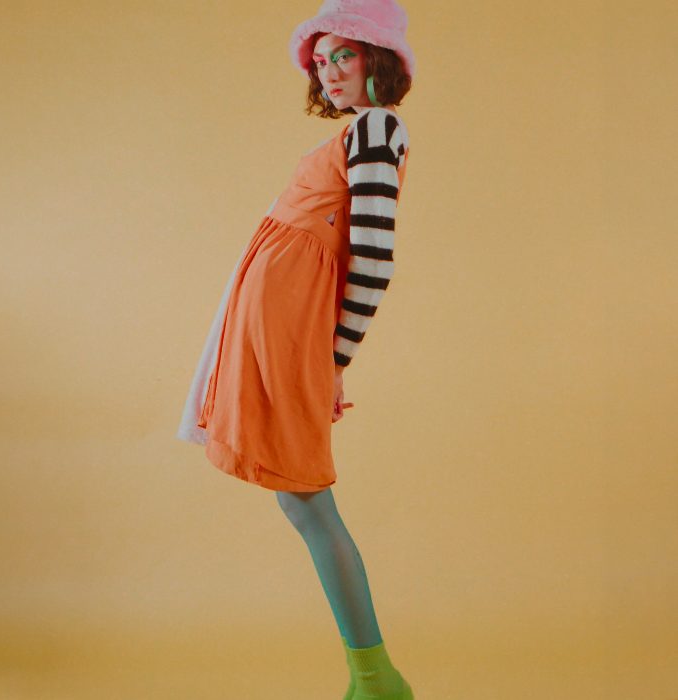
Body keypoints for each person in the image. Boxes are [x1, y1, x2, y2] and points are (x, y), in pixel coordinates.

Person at [177, 1, 416, 697]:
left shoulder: (377, 127)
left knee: (307, 498)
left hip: (291, 325)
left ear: (378, 58)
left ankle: (377, 679)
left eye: (344, 54)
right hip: (279, 321)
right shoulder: (363, 130)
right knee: (300, 501)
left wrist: (335, 357)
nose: (329, 71)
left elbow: (374, 256)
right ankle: (373, 677)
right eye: (320, 60)